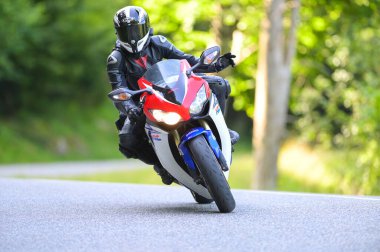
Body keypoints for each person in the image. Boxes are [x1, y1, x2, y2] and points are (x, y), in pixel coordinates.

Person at [106, 6, 239, 185]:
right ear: (118, 33)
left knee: (220, 85)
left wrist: (215, 66)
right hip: (140, 103)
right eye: (126, 31)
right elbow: (118, 88)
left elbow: (188, 61)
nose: (132, 36)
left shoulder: (158, 42)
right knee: (127, 140)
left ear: (145, 28)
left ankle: (221, 128)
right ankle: (160, 164)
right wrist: (129, 108)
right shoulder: (116, 58)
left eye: (135, 30)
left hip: (170, 90)